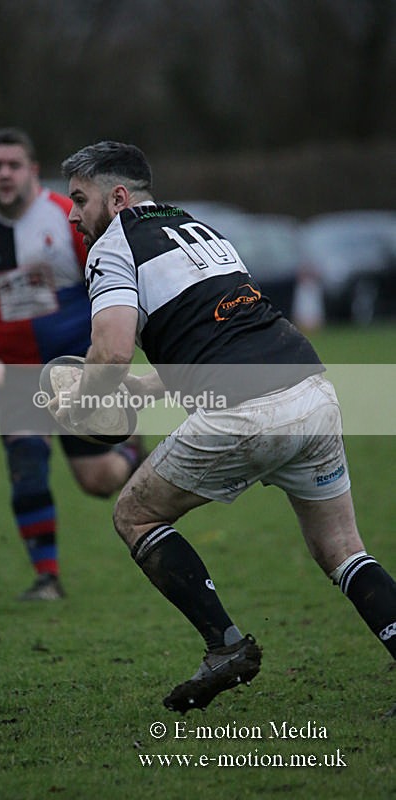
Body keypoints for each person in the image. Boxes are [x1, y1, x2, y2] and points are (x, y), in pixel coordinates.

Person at [56, 140, 396, 712]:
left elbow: (110, 354)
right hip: (311, 390)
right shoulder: (200, 229)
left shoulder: (114, 245)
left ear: (116, 199)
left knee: (134, 514)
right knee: (342, 549)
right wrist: (135, 391)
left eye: (79, 199)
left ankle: (224, 645)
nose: (72, 214)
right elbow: (222, 340)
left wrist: (82, 406)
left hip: (247, 410)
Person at [0, 128, 144, 601]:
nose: (4, 174)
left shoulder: (69, 219)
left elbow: (114, 279)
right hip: (16, 376)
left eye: (13, 164)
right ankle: (47, 578)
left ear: (30, 169)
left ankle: (131, 451)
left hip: (76, 368)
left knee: (99, 480)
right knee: (26, 462)